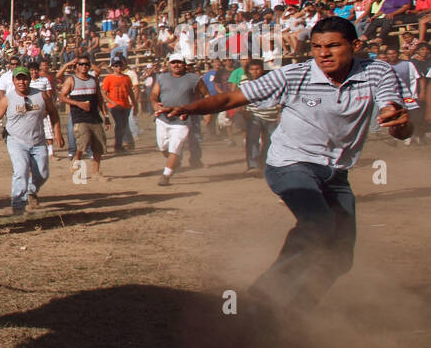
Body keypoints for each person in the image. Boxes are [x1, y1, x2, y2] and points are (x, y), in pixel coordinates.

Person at [167, 17, 409, 308]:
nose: (324, 53)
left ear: (355, 46)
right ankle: (263, 296)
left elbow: (395, 116)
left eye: (333, 46)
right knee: (318, 224)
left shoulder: (377, 71)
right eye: (317, 47)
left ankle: (295, 313)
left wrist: (397, 123)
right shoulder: (294, 75)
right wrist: (188, 108)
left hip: (336, 172)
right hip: (290, 163)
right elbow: (233, 98)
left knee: (341, 257)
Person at [0, 64, 63, 215]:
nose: (22, 82)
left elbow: (54, 113)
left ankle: (31, 190)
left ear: (30, 79)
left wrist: (57, 132)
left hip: (38, 140)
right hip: (16, 140)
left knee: (43, 173)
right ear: (13, 81)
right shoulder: (7, 99)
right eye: (18, 79)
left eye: (25, 79)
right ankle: (18, 205)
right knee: (21, 170)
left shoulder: (41, 95)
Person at [151, 54, 205, 186]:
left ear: (184, 64)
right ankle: (175, 161)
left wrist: (206, 111)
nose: (176, 65)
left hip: (182, 120)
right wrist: (154, 104)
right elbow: (154, 94)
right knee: (163, 147)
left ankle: (166, 175)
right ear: (169, 64)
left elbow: (206, 95)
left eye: (179, 62)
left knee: (175, 148)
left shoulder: (194, 79)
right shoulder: (162, 77)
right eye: (173, 62)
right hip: (163, 119)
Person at [60, 54, 109, 178]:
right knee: (83, 141)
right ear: (77, 66)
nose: (84, 66)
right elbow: (62, 97)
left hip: (94, 116)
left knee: (98, 144)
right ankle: (76, 163)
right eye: (81, 64)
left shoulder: (94, 80)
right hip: (79, 116)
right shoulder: (71, 80)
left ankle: (96, 172)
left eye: (87, 64)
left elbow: (100, 99)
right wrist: (78, 104)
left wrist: (106, 116)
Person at [240, 59, 278, 172]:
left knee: (270, 141)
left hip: (271, 114)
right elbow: (240, 98)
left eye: (257, 69)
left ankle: (264, 162)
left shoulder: (272, 81)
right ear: (248, 70)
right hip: (253, 115)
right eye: (252, 69)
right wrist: (243, 111)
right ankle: (253, 165)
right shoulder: (245, 82)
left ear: (262, 69)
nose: (255, 72)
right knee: (252, 140)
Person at [101, 57, 136, 152]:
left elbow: (130, 92)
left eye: (120, 65)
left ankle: (120, 144)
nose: (118, 67)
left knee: (123, 125)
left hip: (125, 105)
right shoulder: (108, 78)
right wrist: (112, 102)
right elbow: (103, 93)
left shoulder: (126, 78)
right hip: (115, 106)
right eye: (116, 65)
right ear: (112, 67)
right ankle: (118, 145)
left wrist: (134, 103)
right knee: (120, 124)